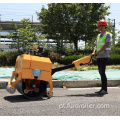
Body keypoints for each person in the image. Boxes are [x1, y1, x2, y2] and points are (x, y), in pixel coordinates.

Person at [91, 20, 112, 94]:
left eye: (99, 26)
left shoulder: (108, 34)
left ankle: (105, 90)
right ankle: (102, 89)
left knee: (102, 72)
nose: (98, 28)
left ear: (103, 27)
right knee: (100, 72)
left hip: (104, 55)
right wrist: (94, 52)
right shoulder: (98, 36)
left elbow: (106, 45)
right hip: (99, 56)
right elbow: (96, 45)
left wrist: (98, 52)